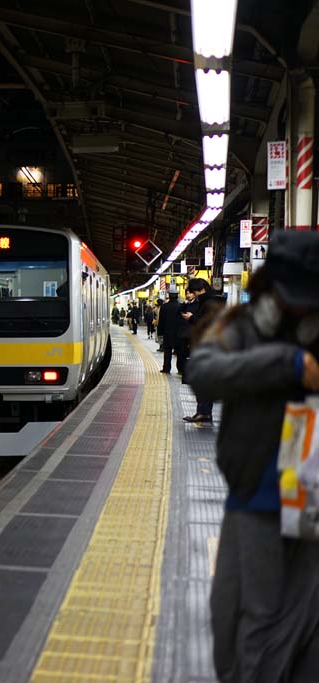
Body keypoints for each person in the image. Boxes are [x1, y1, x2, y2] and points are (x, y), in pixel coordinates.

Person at [185, 231, 319, 683]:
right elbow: (201, 373)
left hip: (311, 498)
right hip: (256, 495)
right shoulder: (240, 327)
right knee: (231, 616)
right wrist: (286, 364)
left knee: (288, 619)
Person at [182, 279, 225, 423]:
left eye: (194, 291)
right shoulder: (212, 301)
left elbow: (206, 325)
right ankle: (204, 412)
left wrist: (191, 318)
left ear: (201, 289)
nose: (193, 294)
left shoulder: (208, 303)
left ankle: (203, 412)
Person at [157, 293, 183, 374]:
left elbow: (161, 321)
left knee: (167, 351)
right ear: (177, 296)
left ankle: (166, 368)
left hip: (167, 333)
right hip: (179, 333)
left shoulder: (164, 307)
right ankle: (180, 369)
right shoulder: (181, 306)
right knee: (179, 352)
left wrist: (160, 332)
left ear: (169, 296)